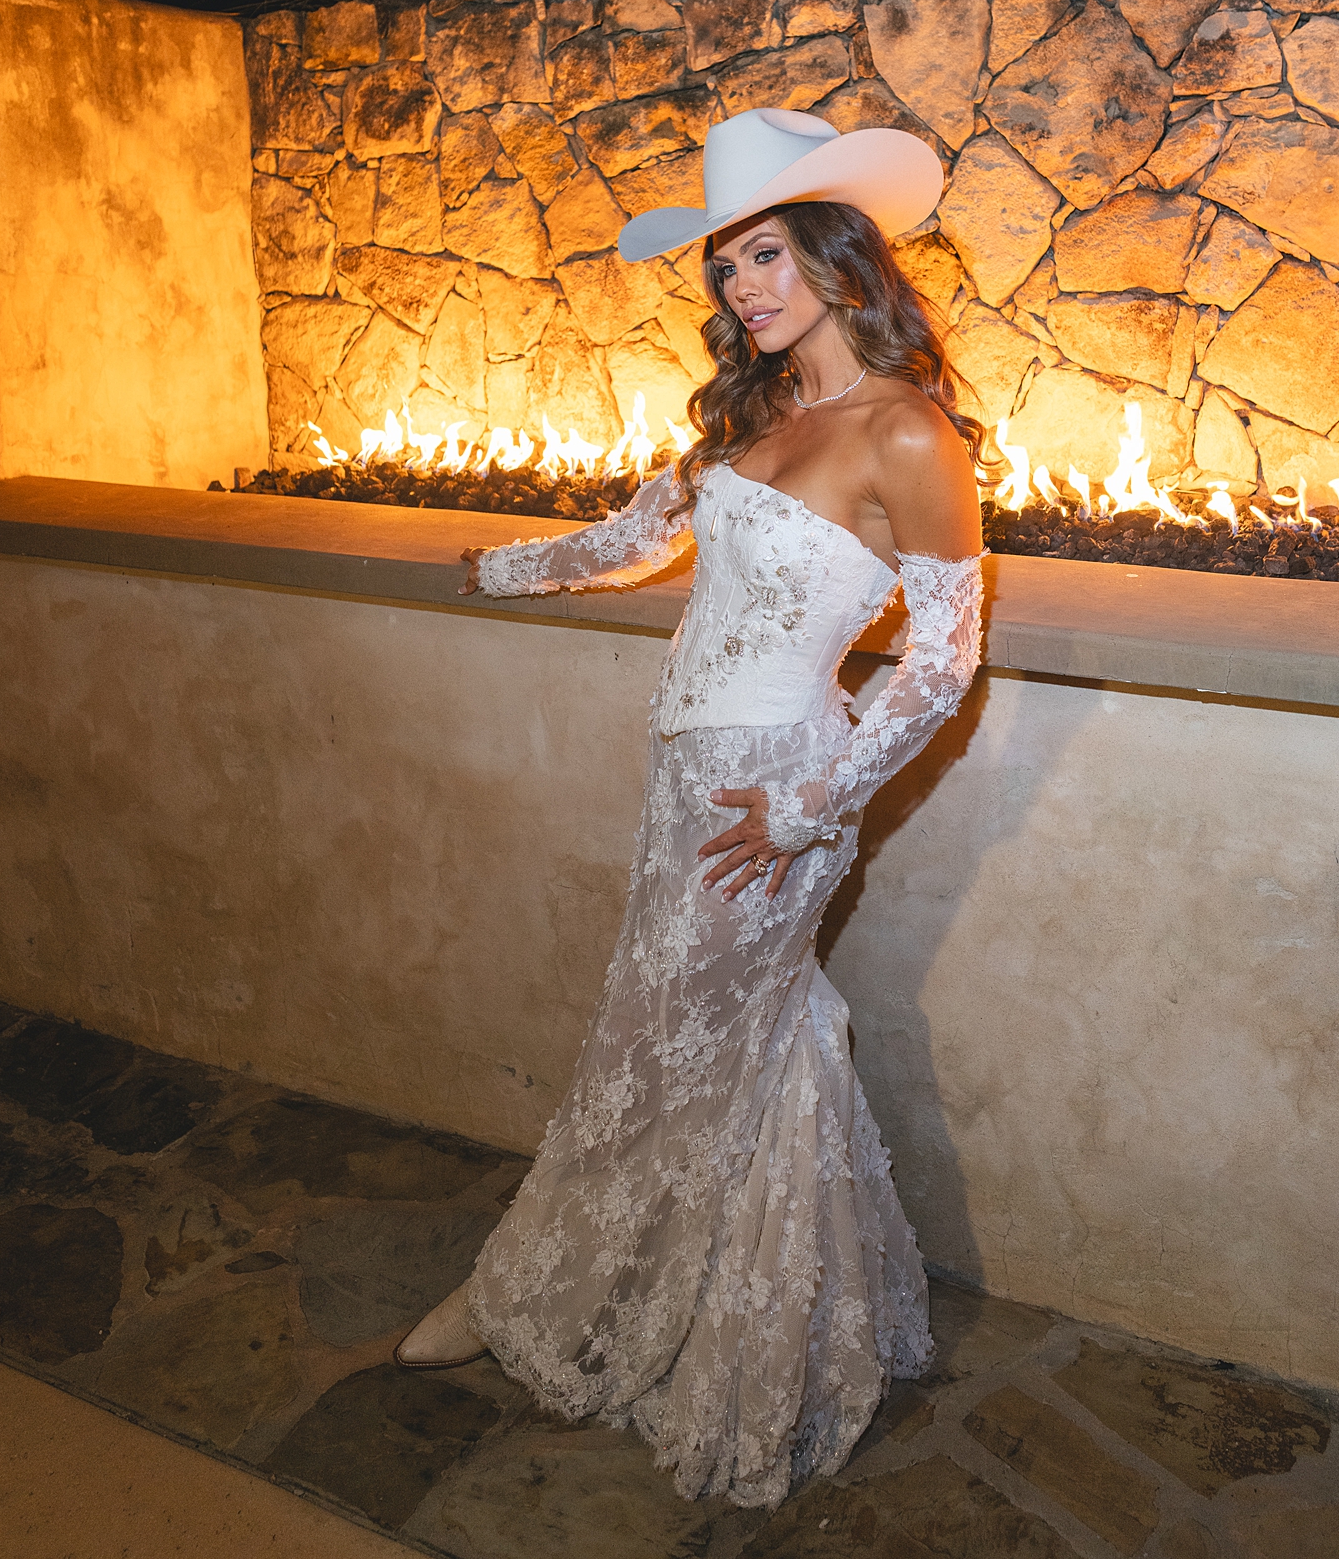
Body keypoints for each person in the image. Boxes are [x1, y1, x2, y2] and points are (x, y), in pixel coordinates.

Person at [394, 107, 986, 1509]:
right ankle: (734, 1299)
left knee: (664, 1042)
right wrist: (499, 571)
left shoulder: (905, 433)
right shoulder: (758, 413)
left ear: (842, 258)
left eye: (768, 257)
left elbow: (946, 656)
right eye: (729, 269)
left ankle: (540, 1291)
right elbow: (629, 539)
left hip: (774, 796)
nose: (745, 291)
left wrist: (804, 807)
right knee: (702, 1035)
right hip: (683, 776)